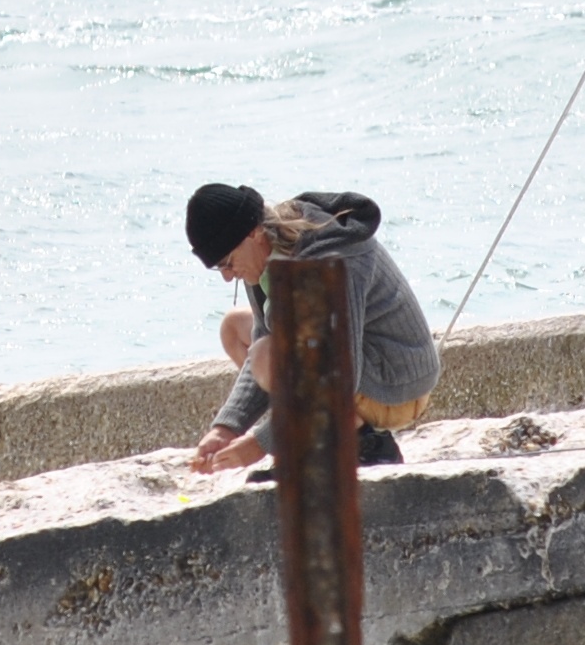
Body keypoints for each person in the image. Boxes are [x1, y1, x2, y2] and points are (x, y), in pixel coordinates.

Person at [183, 183, 439, 474]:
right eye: (220, 268)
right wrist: (226, 428)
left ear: (253, 233)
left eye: (227, 263)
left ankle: (366, 442)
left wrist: (261, 443)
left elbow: (342, 376)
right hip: (350, 368)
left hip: (398, 383)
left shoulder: (327, 258)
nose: (228, 278)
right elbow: (265, 337)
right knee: (234, 328)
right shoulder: (265, 258)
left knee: (268, 355)